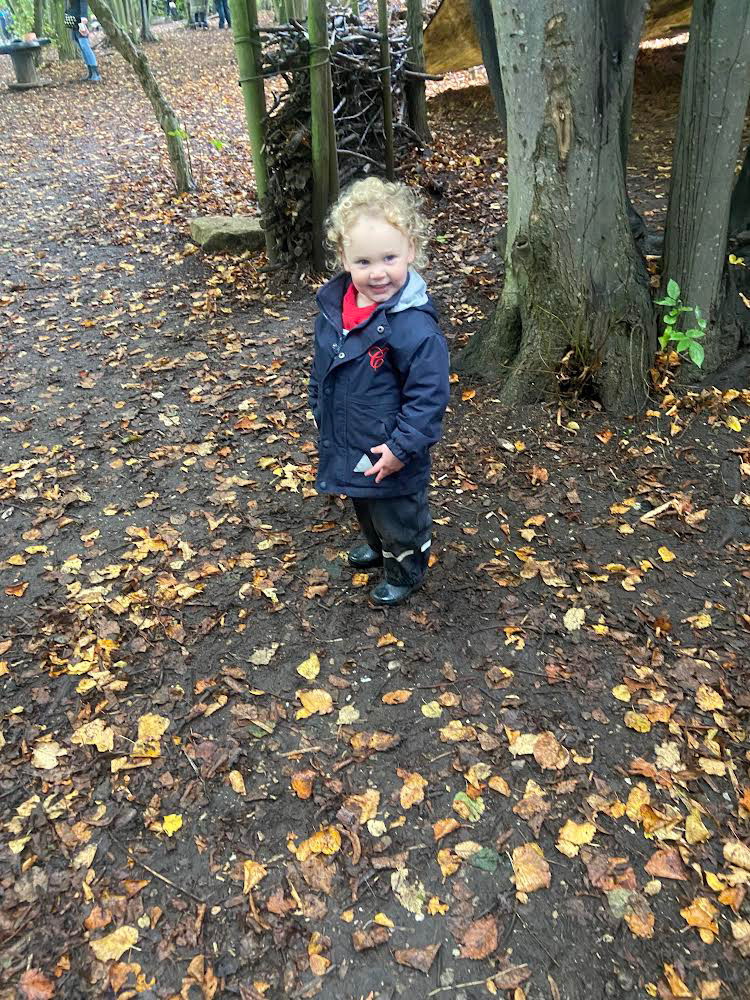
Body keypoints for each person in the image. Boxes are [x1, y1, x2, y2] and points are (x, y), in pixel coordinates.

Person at [308, 176, 450, 607]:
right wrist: (319, 403)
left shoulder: (414, 328)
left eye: (389, 257)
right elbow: (323, 363)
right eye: (364, 261)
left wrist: (402, 447)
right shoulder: (336, 311)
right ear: (344, 258)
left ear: (410, 249)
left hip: (393, 445)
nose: (378, 272)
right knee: (364, 502)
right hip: (353, 435)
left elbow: (428, 397)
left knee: (398, 511)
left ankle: (406, 567)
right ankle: (379, 546)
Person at [64, 0, 100, 82]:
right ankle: (90, 72)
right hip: (74, 20)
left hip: (80, 20)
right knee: (81, 46)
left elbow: (83, 2)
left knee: (85, 45)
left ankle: (96, 73)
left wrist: (84, 16)